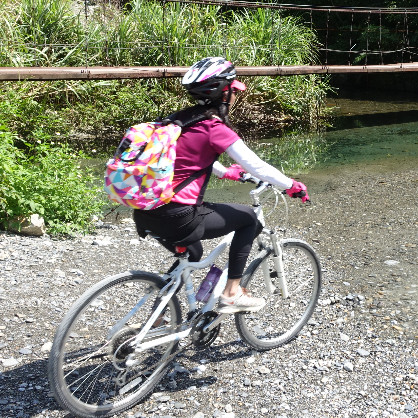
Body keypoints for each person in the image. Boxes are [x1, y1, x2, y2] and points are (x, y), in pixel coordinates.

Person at [132, 56, 309, 313]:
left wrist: (225, 172)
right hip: (179, 216)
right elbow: (255, 165)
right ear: (223, 92)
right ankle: (232, 293)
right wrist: (291, 184)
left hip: (146, 212)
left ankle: (157, 319)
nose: (235, 96)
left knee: (192, 255)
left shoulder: (178, 121)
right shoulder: (213, 127)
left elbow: (187, 160)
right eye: (233, 90)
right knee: (249, 219)